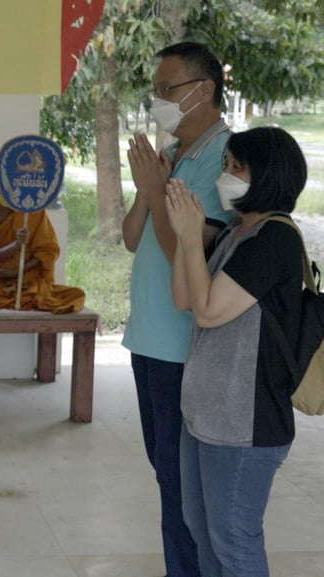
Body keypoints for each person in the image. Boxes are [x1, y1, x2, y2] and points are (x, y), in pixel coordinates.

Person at [165, 126, 306, 577]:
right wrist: (186, 238)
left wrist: (189, 238)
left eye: (236, 169)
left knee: (234, 542)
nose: (225, 177)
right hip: (205, 413)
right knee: (202, 531)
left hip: (245, 423)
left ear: (266, 176)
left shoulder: (273, 240)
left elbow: (207, 310)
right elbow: (185, 298)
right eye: (226, 167)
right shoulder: (235, 233)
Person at [121, 41, 233, 577]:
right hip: (148, 339)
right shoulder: (177, 155)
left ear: (204, 90)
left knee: (181, 482)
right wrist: (149, 189)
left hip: (182, 343)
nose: (159, 101)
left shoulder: (223, 157)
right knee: (167, 474)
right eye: (156, 91)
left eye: (169, 90)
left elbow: (189, 253)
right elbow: (130, 237)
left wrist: (158, 186)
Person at [0, 166, 85, 312]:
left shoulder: (32, 211)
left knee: (75, 294)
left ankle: (26, 296)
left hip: (28, 274)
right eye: (2, 186)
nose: (9, 189)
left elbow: (45, 252)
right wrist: (16, 245)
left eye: (12, 183)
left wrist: (17, 273)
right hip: (0, 275)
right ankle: (28, 298)